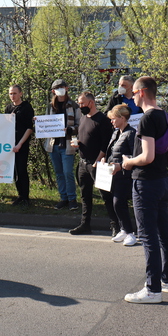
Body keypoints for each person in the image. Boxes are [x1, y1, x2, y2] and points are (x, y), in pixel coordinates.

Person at [122, 76, 168, 304]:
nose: (132, 97)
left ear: (142, 92)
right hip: (163, 180)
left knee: (148, 236)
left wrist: (128, 162)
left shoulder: (145, 119)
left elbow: (147, 156)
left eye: (133, 93)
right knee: (165, 233)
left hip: (146, 183)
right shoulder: (165, 115)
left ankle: (152, 289)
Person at [69, 91, 112, 235]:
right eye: (79, 104)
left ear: (91, 103)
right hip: (83, 163)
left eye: (82, 103)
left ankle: (116, 225)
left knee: (105, 195)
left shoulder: (102, 120)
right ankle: (85, 224)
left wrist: (98, 160)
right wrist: (78, 144)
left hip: (97, 164)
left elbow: (106, 144)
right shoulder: (82, 119)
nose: (80, 106)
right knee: (85, 195)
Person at [103, 104, 137, 246]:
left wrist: (121, 166)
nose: (111, 121)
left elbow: (134, 154)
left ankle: (130, 233)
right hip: (113, 173)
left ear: (122, 118)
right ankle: (124, 229)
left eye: (114, 118)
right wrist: (106, 159)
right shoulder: (117, 132)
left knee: (119, 202)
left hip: (125, 174)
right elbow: (112, 151)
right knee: (115, 203)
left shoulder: (131, 133)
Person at [45, 79, 80, 210]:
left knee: (67, 172)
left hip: (68, 144)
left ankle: (72, 199)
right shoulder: (50, 106)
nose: (60, 89)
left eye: (62, 87)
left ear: (67, 88)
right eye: (57, 88)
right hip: (53, 145)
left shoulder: (74, 106)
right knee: (59, 173)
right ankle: (63, 198)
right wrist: (38, 122)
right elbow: (46, 123)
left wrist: (70, 130)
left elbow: (80, 124)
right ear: (53, 91)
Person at [5, 85, 34, 206]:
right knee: (15, 171)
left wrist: (20, 144)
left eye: (15, 93)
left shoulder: (26, 107)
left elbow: (29, 128)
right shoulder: (8, 108)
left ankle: (26, 197)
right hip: (11, 144)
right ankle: (20, 196)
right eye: (11, 93)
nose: (13, 96)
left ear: (20, 94)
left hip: (21, 144)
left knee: (22, 170)